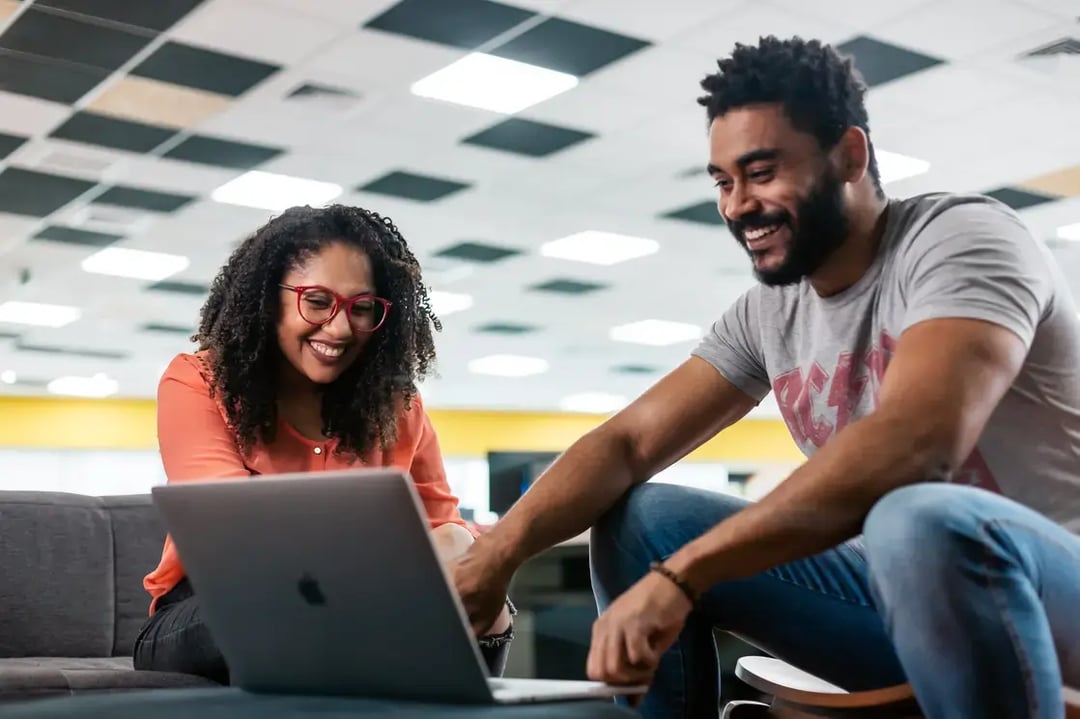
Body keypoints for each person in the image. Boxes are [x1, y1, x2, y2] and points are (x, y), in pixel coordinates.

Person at [451, 35, 1080, 719]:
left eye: (761, 171)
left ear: (850, 155)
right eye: (723, 181)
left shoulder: (960, 240)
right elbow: (629, 441)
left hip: (1052, 599)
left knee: (919, 515)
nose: (738, 204)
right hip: (900, 608)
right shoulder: (768, 313)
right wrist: (498, 553)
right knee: (645, 517)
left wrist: (685, 573)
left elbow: (916, 442)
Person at [134, 204, 513, 684]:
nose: (339, 328)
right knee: (281, 599)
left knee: (462, 554)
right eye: (316, 301)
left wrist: (462, 549)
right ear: (268, 298)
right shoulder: (199, 381)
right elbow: (235, 539)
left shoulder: (398, 406)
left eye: (362, 308)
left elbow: (448, 531)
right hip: (213, 606)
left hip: (355, 610)